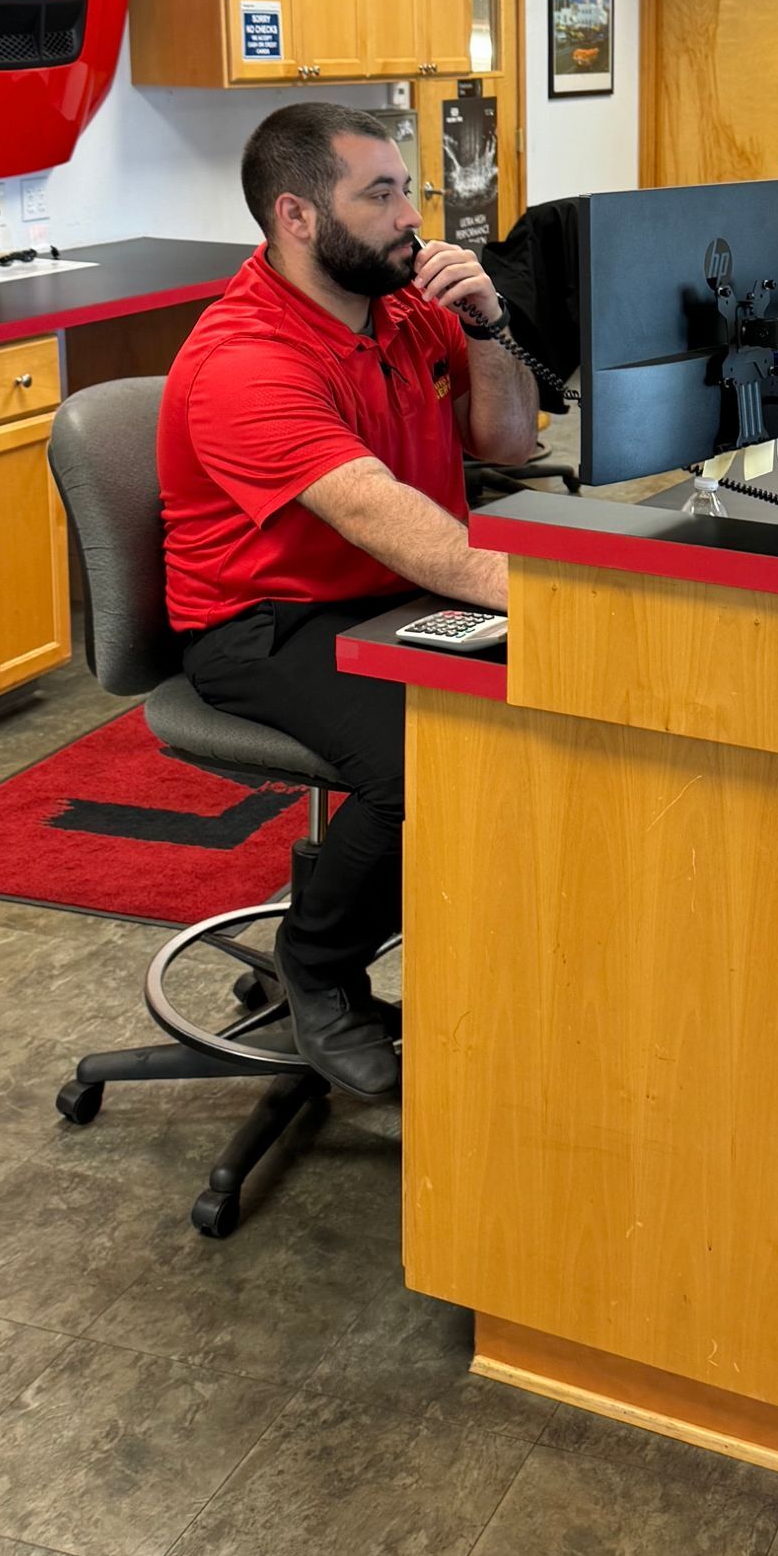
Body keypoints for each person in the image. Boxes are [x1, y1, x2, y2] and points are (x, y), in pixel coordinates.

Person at [157, 103, 538, 1099]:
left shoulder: (405, 307)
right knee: (432, 757)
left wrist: (489, 325)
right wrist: (551, 594)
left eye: (407, 188)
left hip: (391, 590)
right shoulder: (246, 357)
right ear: (296, 216)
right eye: (380, 195)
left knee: (556, 709)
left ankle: (482, 945)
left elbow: (506, 442)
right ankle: (318, 964)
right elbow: (383, 516)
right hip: (263, 620)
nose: (411, 216)